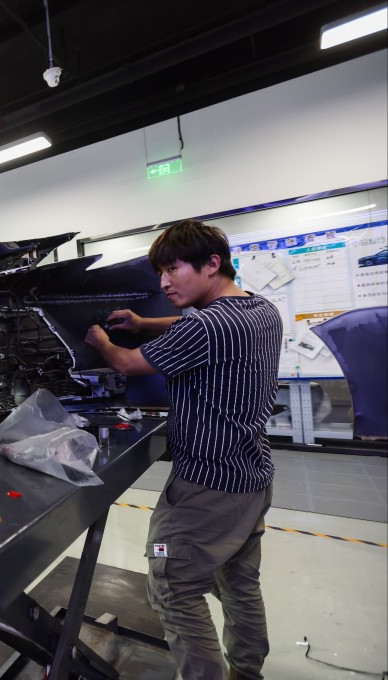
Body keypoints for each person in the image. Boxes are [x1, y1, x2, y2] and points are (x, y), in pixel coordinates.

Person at [84, 220, 281, 680]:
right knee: (238, 582)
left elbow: (127, 362)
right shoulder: (261, 310)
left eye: (173, 269)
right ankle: (246, 671)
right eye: (160, 272)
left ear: (212, 264)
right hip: (252, 477)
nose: (163, 283)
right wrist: (143, 322)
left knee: (172, 588)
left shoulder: (206, 326)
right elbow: (192, 324)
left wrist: (100, 340)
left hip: (205, 489)